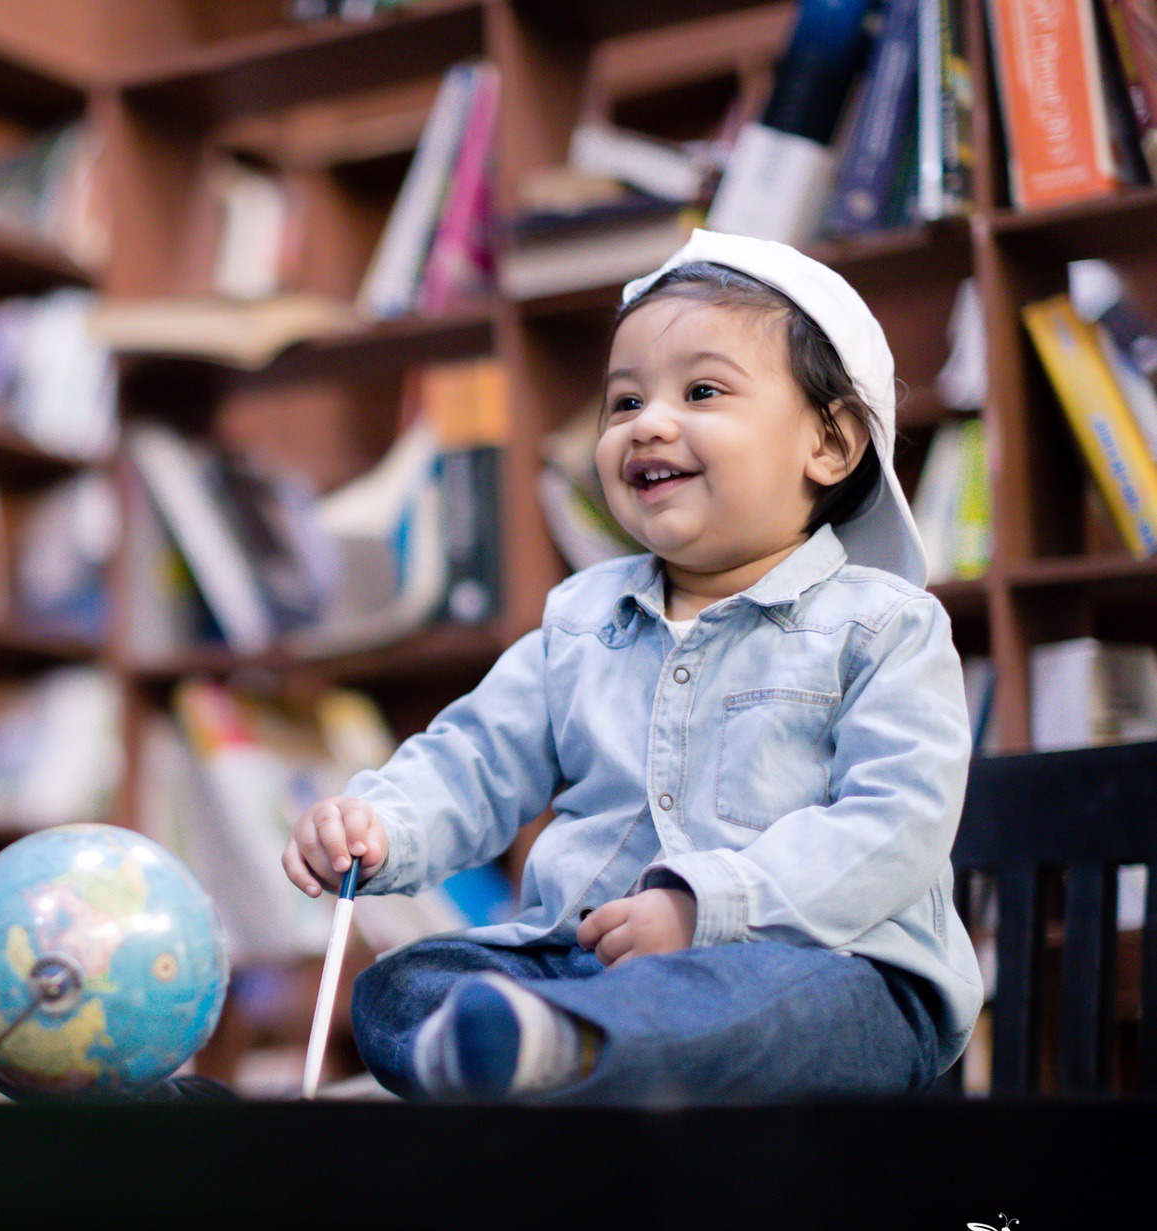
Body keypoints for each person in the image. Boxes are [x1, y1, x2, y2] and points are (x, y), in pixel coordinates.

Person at [283, 229, 982, 1102]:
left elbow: (894, 824)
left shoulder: (884, 626)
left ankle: (570, 1054)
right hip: (586, 965)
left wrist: (704, 908)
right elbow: (472, 757)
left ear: (829, 446)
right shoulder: (581, 621)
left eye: (700, 390)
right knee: (402, 984)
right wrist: (381, 824)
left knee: (773, 999)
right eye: (623, 402)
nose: (648, 422)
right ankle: (553, 1051)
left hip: (825, 968)